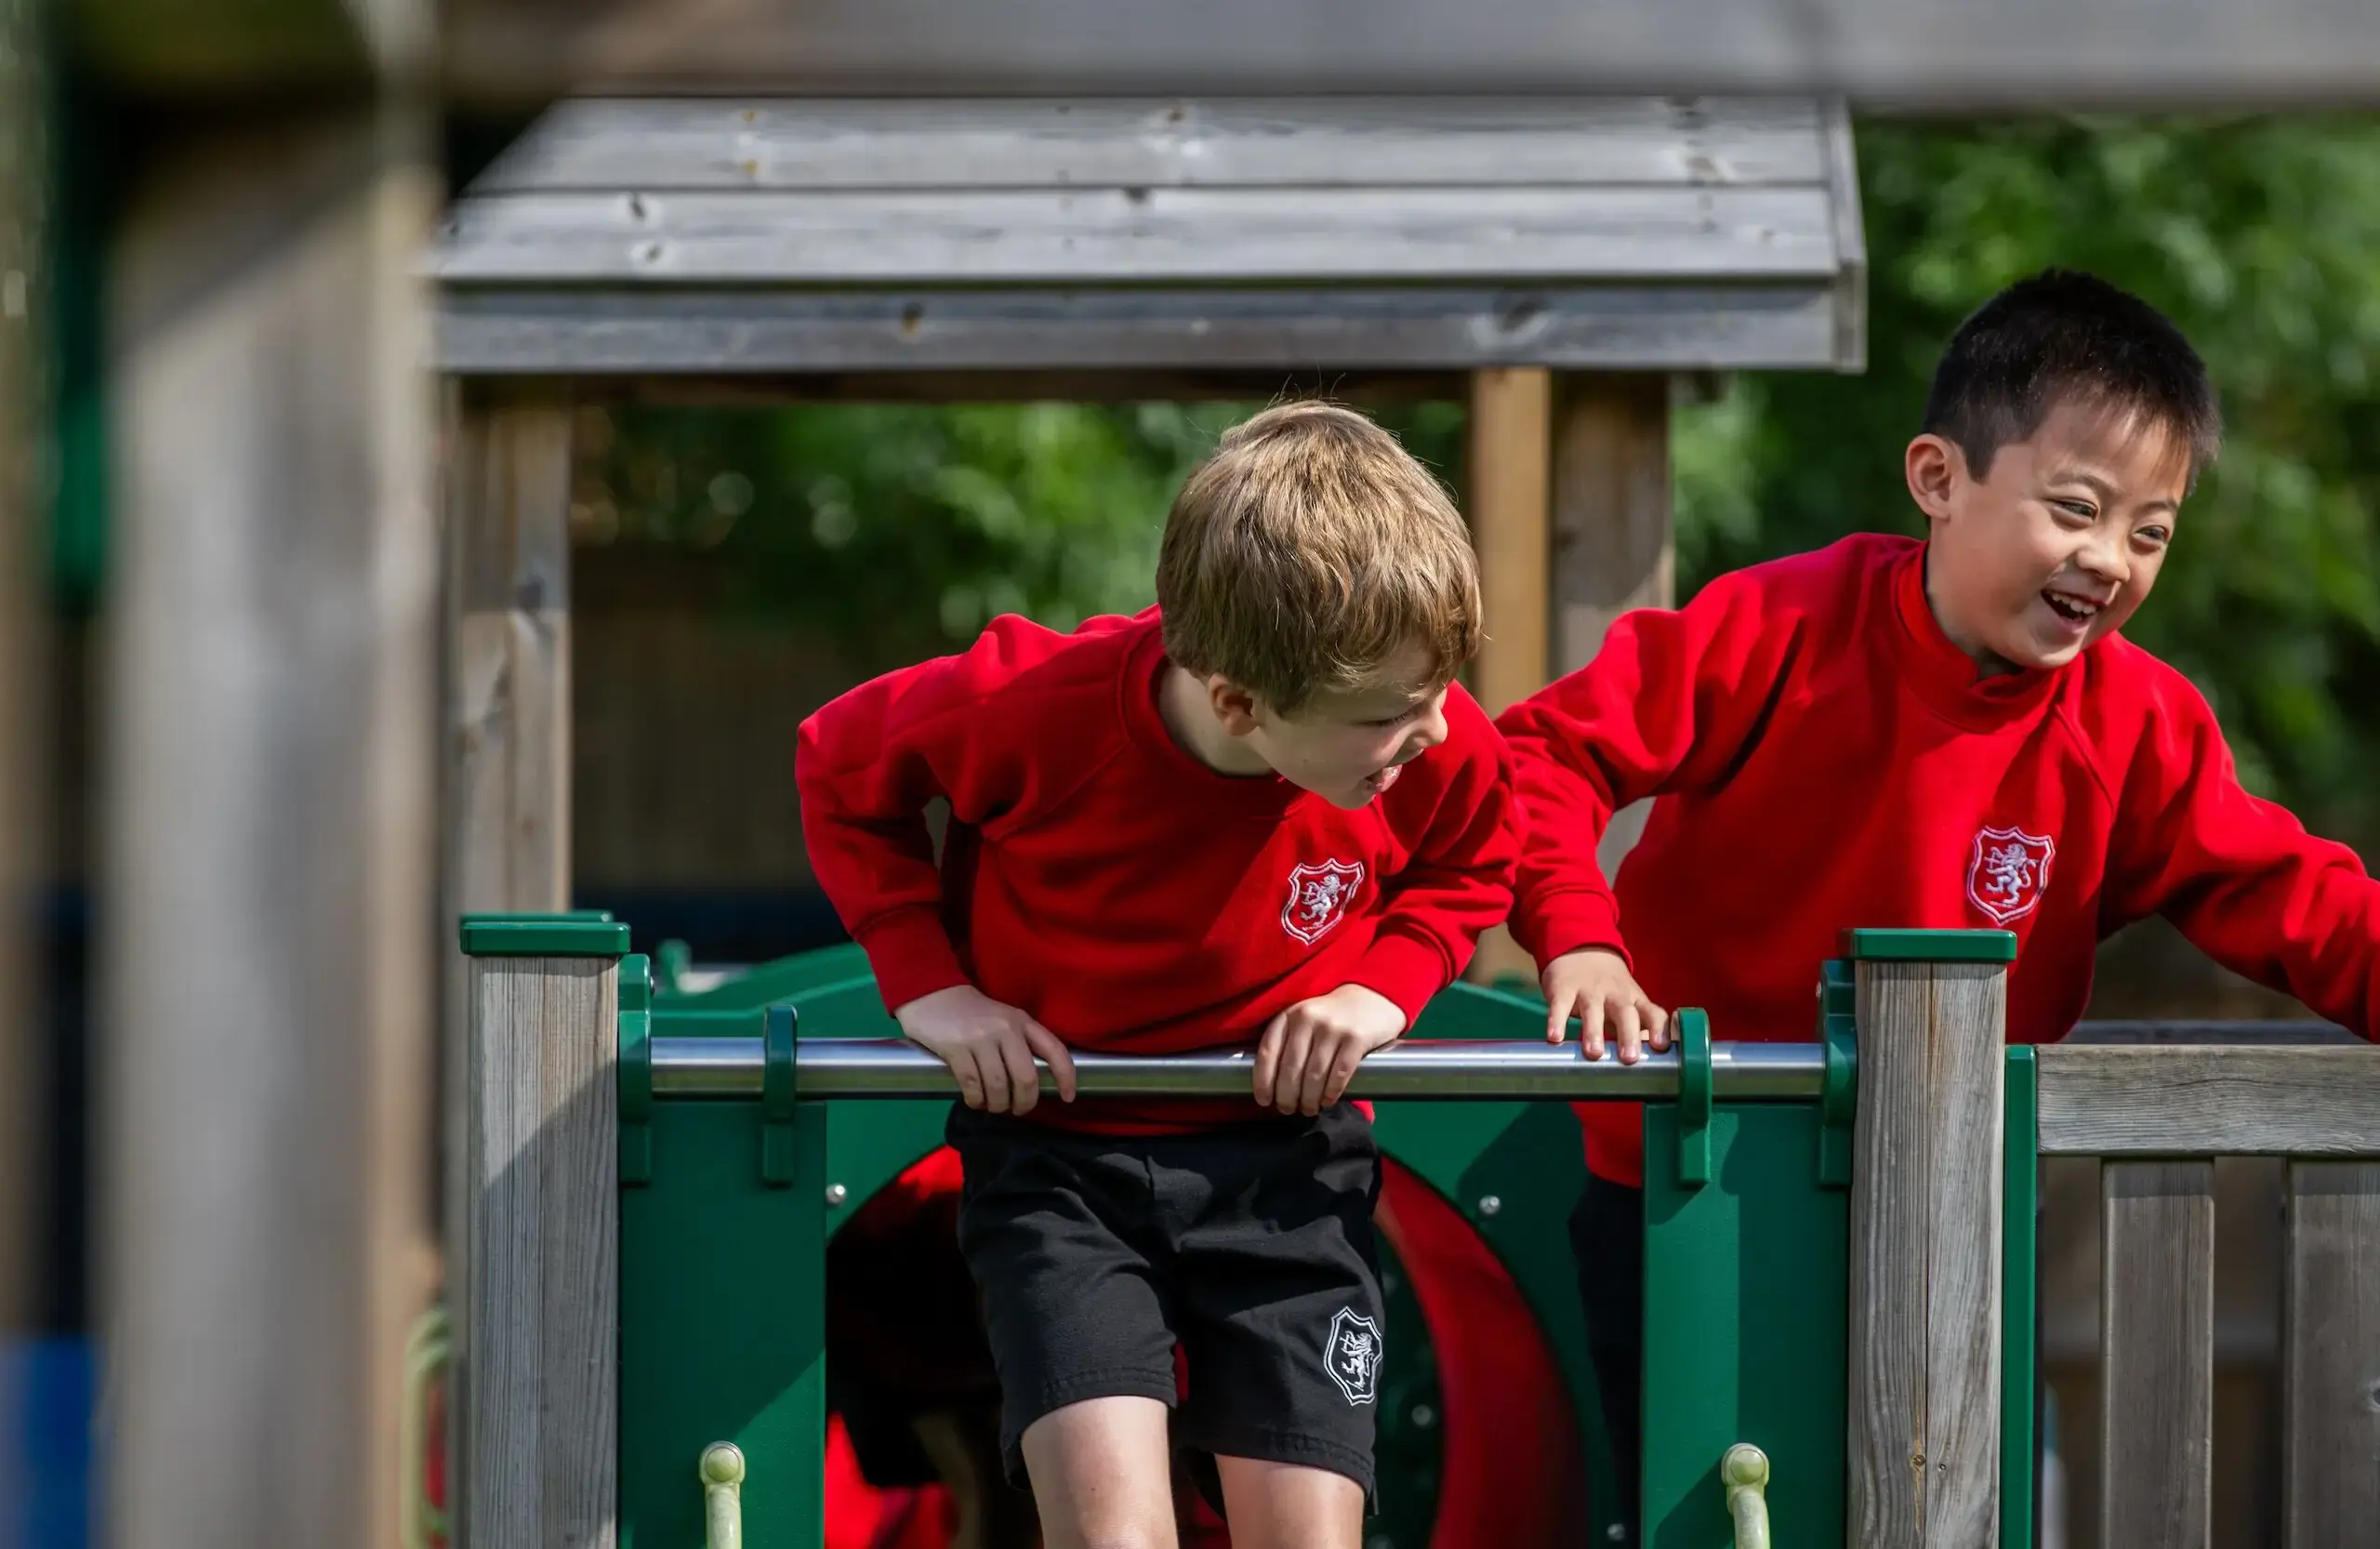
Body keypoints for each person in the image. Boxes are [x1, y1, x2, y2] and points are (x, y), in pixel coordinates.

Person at [1496, 268, 2380, 1542]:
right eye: (2076, 508)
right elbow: (1538, 755)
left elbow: (2297, 898)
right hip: (1687, 1187)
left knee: (1952, 1511)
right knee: (1697, 1509)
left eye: (2151, 529)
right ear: (1937, 478)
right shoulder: (1780, 628)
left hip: (1956, 1202)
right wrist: (1578, 929)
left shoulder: (2136, 725)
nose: (2109, 560)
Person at [798, 402, 1517, 1549]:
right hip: (1062, 1158)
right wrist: (932, 985)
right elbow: (839, 767)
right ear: (1236, 701)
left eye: (1438, 691)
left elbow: (1479, 857)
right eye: (1388, 715)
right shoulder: (1031, 708)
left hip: (1284, 1157)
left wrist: (1381, 986)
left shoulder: (1430, 733)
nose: (1433, 731)